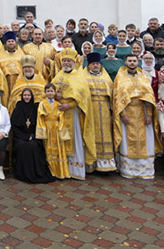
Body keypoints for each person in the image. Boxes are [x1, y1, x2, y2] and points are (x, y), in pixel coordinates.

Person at [50, 49, 96, 180]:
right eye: (64, 61)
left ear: (74, 62)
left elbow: (83, 97)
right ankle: (62, 169)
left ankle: (75, 170)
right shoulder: (58, 75)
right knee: (61, 140)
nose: (66, 63)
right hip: (59, 113)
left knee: (75, 140)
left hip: (73, 112)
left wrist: (69, 105)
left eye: (68, 61)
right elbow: (50, 90)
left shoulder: (79, 76)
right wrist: (55, 95)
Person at [113, 54, 160, 179]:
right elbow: (117, 96)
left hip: (142, 112)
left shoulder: (143, 76)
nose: (132, 63)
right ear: (125, 62)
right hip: (127, 112)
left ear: (137, 62)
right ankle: (128, 170)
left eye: (134, 61)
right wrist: (123, 114)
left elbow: (149, 96)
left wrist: (149, 114)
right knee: (127, 140)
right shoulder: (120, 77)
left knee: (145, 140)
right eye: (130, 61)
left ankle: (145, 170)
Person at [10, 88, 54, 184]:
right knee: (22, 146)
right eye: (25, 95)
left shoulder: (35, 108)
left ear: (31, 97)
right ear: (22, 96)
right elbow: (14, 126)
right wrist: (24, 137)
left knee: (33, 146)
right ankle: (23, 174)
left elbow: (38, 124)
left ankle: (35, 173)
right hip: (20, 137)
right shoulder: (18, 108)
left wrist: (32, 136)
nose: (27, 97)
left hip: (33, 136)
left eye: (28, 95)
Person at [84, 52, 116, 174]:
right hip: (90, 109)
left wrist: (112, 112)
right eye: (93, 64)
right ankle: (91, 163)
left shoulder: (106, 78)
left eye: (97, 63)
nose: (95, 66)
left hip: (104, 110)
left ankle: (105, 165)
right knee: (91, 134)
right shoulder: (83, 77)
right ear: (89, 65)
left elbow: (112, 96)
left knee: (105, 135)